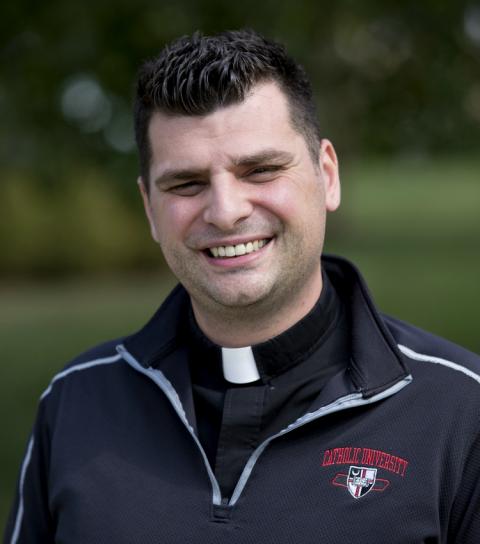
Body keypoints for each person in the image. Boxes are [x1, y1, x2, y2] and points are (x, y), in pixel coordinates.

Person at [4, 29, 480, 544]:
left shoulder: (459, 412)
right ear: (149, 208)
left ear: (327, 175)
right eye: (186, 183)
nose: (226, 212)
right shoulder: (77, 402)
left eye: (260, 170)